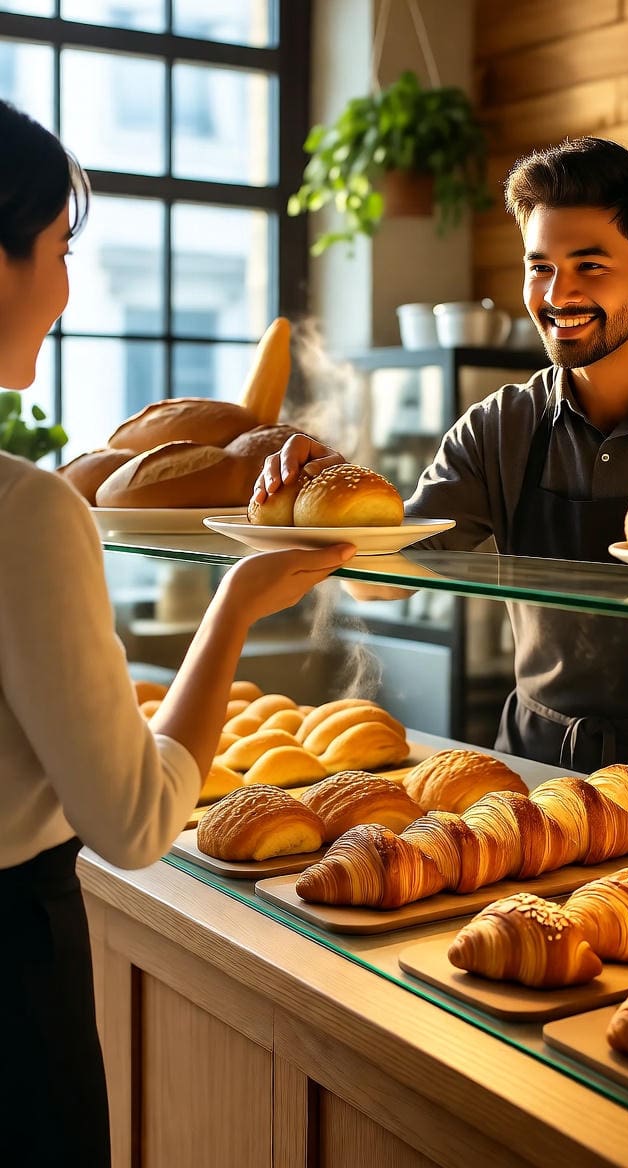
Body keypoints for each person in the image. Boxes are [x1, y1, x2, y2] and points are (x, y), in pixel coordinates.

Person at [0, 99, 354, 1168]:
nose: (66, 289)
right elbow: (137, 820)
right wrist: (235, 606)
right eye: (61, 252)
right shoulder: (24, 510)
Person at [255, 136, 628, 806]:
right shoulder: (497, 428)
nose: (558, 294)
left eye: (589, 266)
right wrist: (324, 491)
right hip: (534, 774)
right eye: (540, 267)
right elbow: (380, 582)